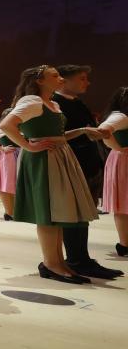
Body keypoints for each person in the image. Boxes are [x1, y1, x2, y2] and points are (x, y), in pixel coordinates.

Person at [0, 66, 106, 284]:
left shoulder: (52, 104)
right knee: (48, 213)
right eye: (55, 76)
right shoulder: (32, 101)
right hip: (43, 158)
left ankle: (58, 263)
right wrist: (29, 146)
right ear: (39, 81)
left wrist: (83, 131)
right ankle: (51, 263)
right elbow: (6, 125)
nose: (60, 79)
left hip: (58, 155)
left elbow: (58, 135)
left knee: (56, 213)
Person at [53, 65, 121, 278]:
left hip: (88, 163)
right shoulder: (54, 103)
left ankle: (81, 258)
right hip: (71, 163)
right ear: (64, 80)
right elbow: (55, 135)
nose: (87, 82)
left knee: (82, 215)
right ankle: (75, 259)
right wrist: (85, 132)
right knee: (73, 215)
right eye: (82, 78)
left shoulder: (77, 102)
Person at [98, 87, 128, 257]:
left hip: (122, 159)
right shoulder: (121, 116)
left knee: (123, 204)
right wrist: (119, 148)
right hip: (123, 160)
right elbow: (103, 131)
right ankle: (124, 244)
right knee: (123, 204)